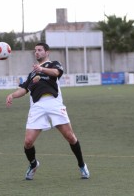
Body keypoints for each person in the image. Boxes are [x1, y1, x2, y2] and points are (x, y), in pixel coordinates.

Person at [6, 42, 90, 180]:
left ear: (47, 52)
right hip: (37, 106)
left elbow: (56, 73)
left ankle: (82, 165)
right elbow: (24, 89)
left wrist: (42, 70)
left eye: (40, 50)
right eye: (35, 51)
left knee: (70, 137)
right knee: (28, 142)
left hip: (54, 103)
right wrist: (12, 95)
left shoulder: (53, 64)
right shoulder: (32, 73)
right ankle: (33, 165)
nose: (37, 52)